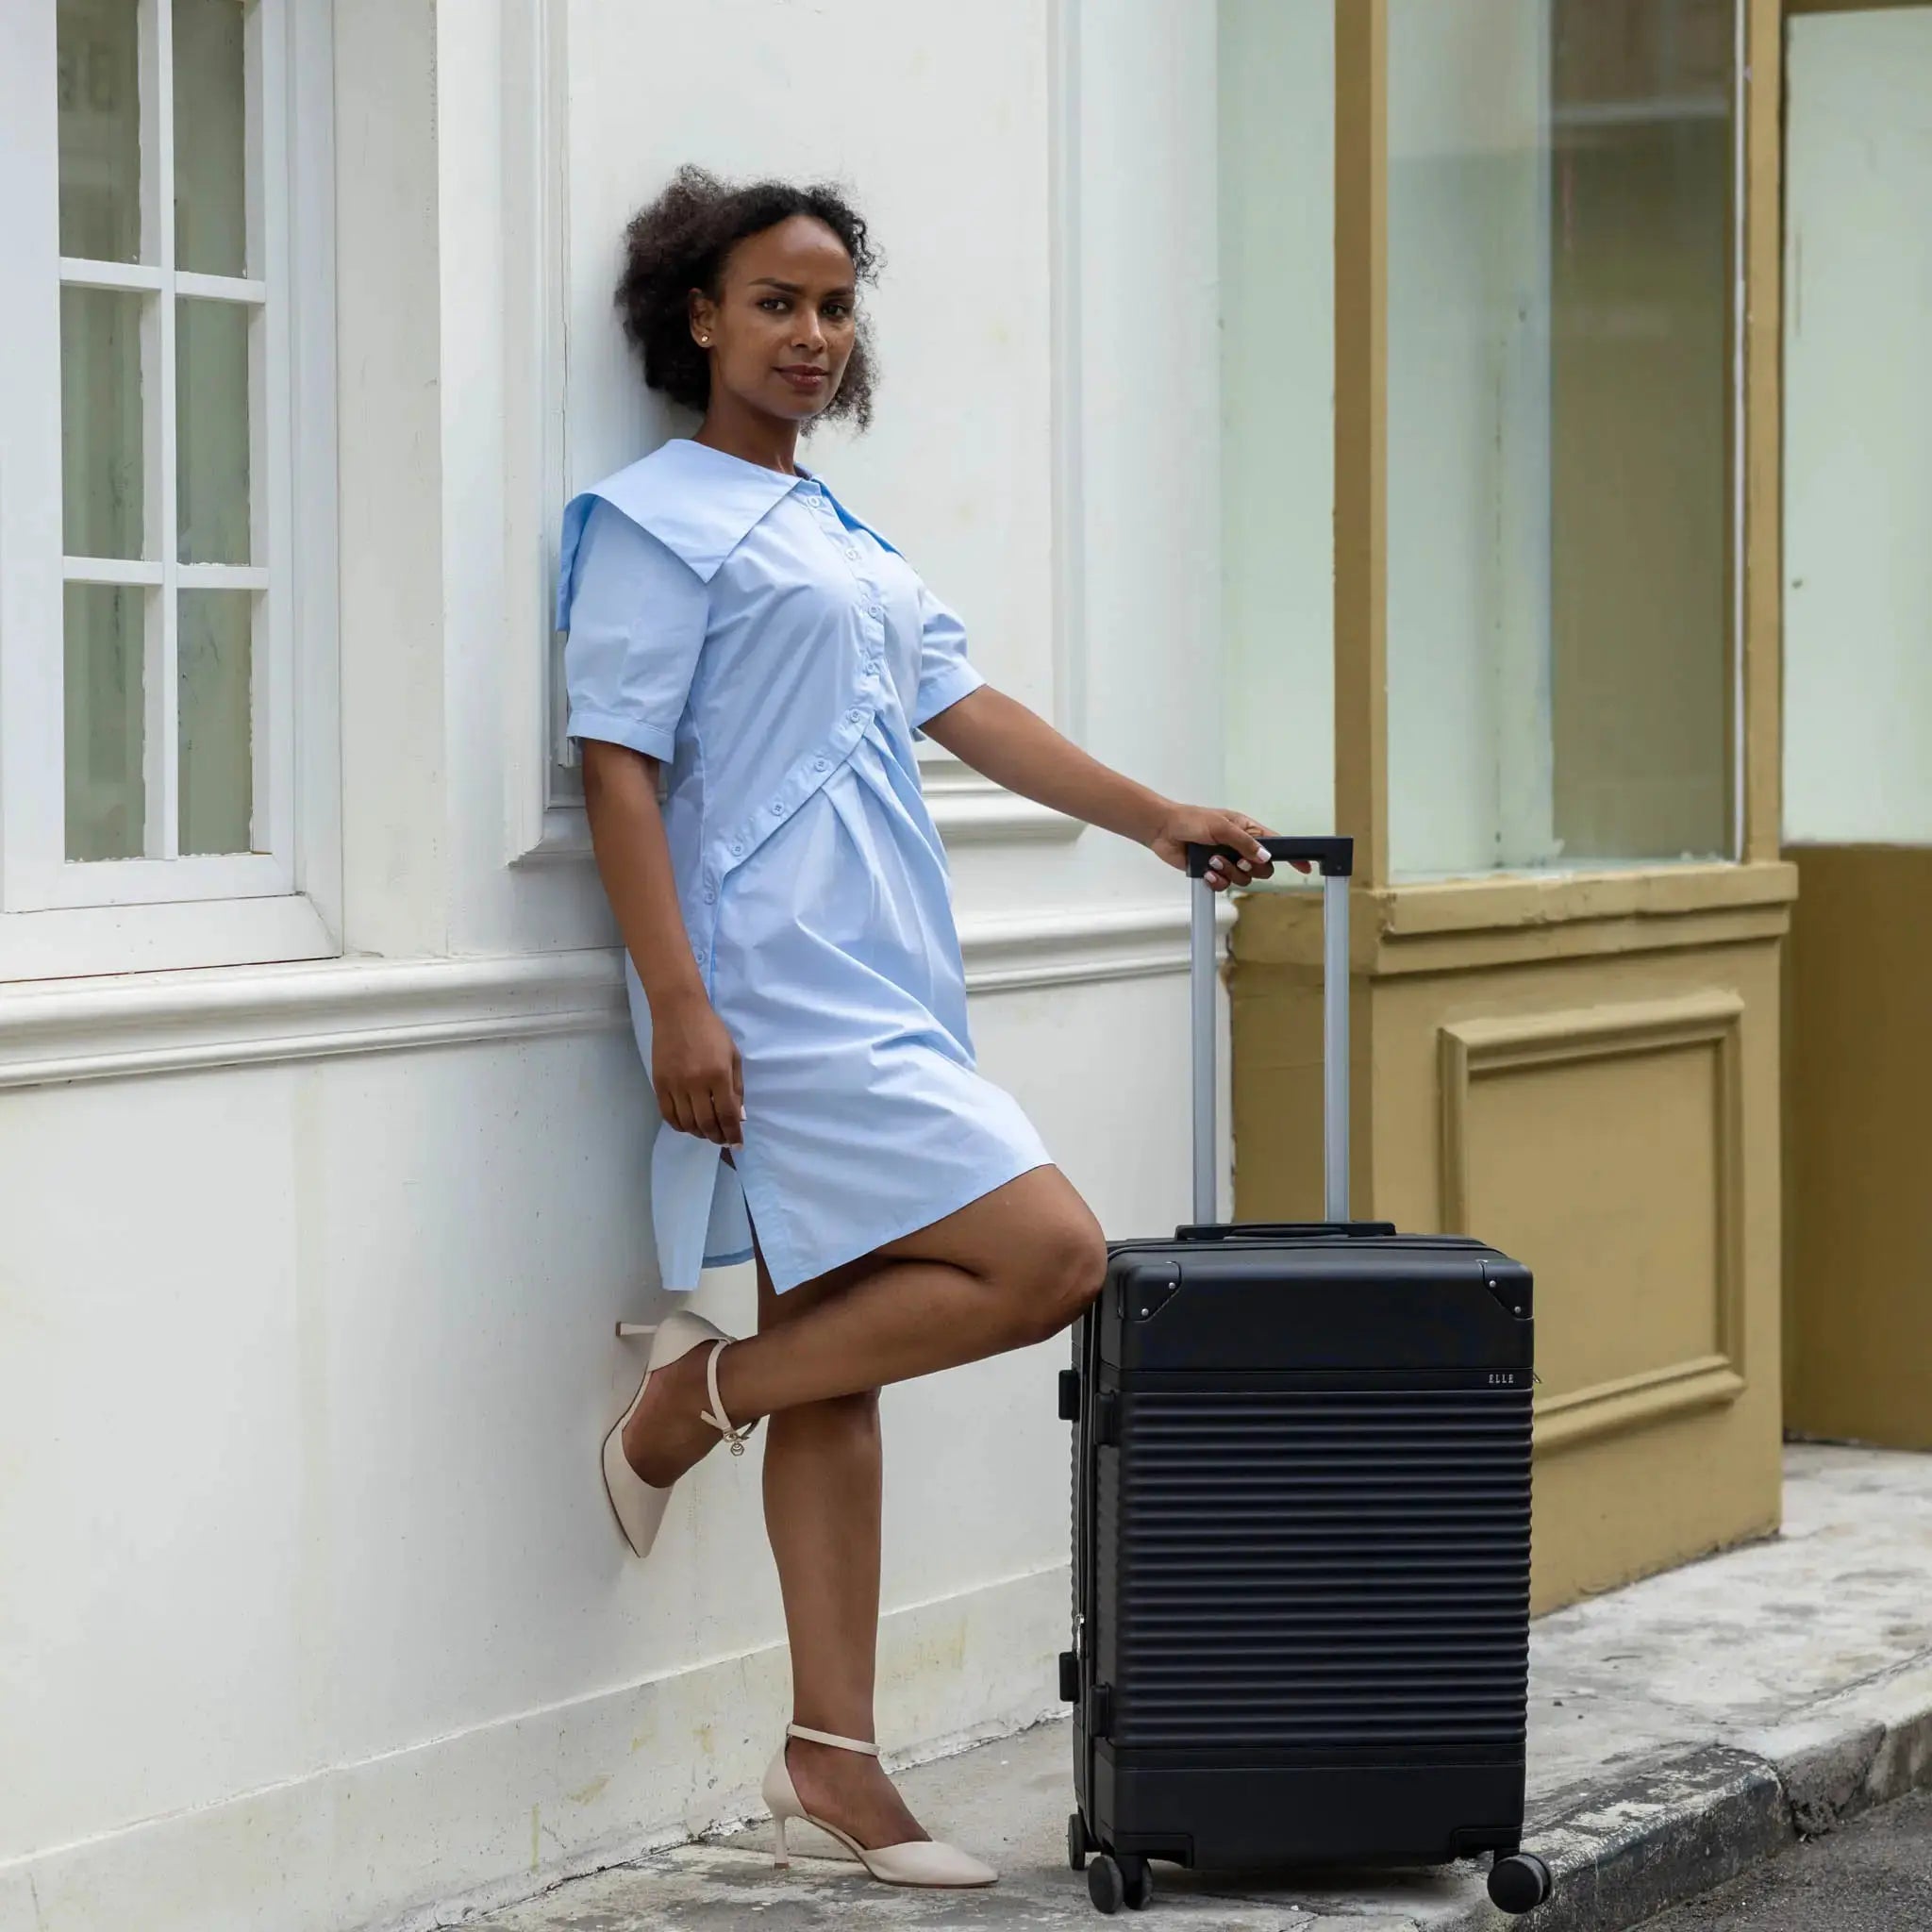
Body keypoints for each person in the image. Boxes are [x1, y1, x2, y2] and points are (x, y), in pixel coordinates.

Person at [559, 164, 1285, 1891]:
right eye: (778, 303)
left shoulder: (839, 539)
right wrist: (678, 999)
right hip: (770, 986)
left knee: (851, 1345)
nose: (813, 335)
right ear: (699, 318)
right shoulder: (651, 522)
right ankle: (692, 1395)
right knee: (1049, 1254)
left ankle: (832, 1754)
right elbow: (617, 768)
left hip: (884, 966)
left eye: (833, 307)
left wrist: (1152, 812)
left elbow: (968, 705)